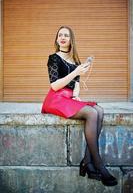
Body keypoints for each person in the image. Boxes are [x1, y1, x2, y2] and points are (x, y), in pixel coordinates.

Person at [41, 26, 118, 186]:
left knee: (99, 110)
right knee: (91, 113)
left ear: (71, 40)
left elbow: (75, 85)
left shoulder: (75, 60)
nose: (62, 37)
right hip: (56, 98)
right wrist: (75, 72)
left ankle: (87, 161)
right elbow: (55, 85)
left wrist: (76, 94)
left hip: (69, 98)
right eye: (60, 35)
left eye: (66, 35)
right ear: (57, 39)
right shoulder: (53, 58)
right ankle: (98, 165)